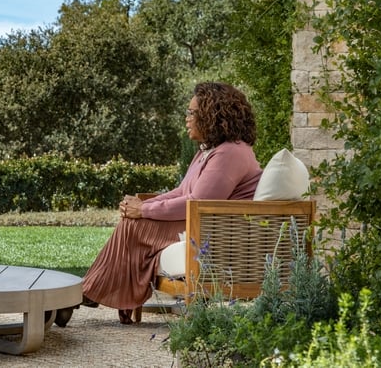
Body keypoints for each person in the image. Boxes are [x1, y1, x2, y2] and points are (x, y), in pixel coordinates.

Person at [57, 82, 263, 327]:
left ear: (212, 115)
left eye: (192, 113)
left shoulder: (231, 153)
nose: (186, 118)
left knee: (134, 227)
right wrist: (142, 204)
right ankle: (90, 293)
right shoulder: (208, 152)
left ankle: (86, 292)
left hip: (214, 232)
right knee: (132, 221)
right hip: (199, 223)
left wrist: (143, 209)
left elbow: (197, 202)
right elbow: (182, 191)